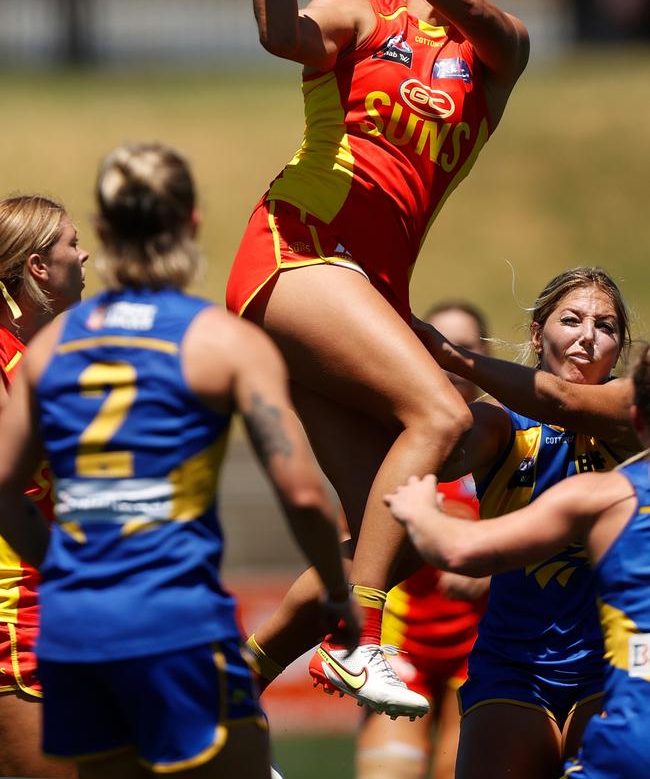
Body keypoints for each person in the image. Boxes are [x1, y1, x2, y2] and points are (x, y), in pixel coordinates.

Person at [227, 0, 529, 718]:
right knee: (438, 413)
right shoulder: (363, 11)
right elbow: (282, 33)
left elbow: (472, 10)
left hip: (365, 292)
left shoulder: (498, 45)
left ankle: (227, 686)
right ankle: (358, 643)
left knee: (386, 526)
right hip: (299, 251)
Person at [0, 143, 359, 779]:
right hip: (177, 627)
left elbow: (5, 492)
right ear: (192, 223)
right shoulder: (222, 340)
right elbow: (304, 497)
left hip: (74, 636)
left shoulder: (55, 348)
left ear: (107, 234)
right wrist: (339, 594)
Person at [389, 266, 639, 779]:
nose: (588, 337)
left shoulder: (634, 418)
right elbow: (433, 447)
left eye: (607, 326)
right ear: (536, 332)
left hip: (613, 669)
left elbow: (564, 401)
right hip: (514, 669)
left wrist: (451, 353)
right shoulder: (498, 423)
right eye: (571, 319)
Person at [356, 301, 491, 779]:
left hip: (483, 649)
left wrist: (490, 568)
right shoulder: (396, 441)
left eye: (464, 349)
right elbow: (347, 539)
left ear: (482, 357)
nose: (448, 362)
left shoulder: (515, 438)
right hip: (401, 645)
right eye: (436, 348)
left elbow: (553, 538)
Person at [0, 194, 88, 779]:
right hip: (21, 616)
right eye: (73, 244)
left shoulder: (57, 355)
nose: (86, 256)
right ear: (38, 266)